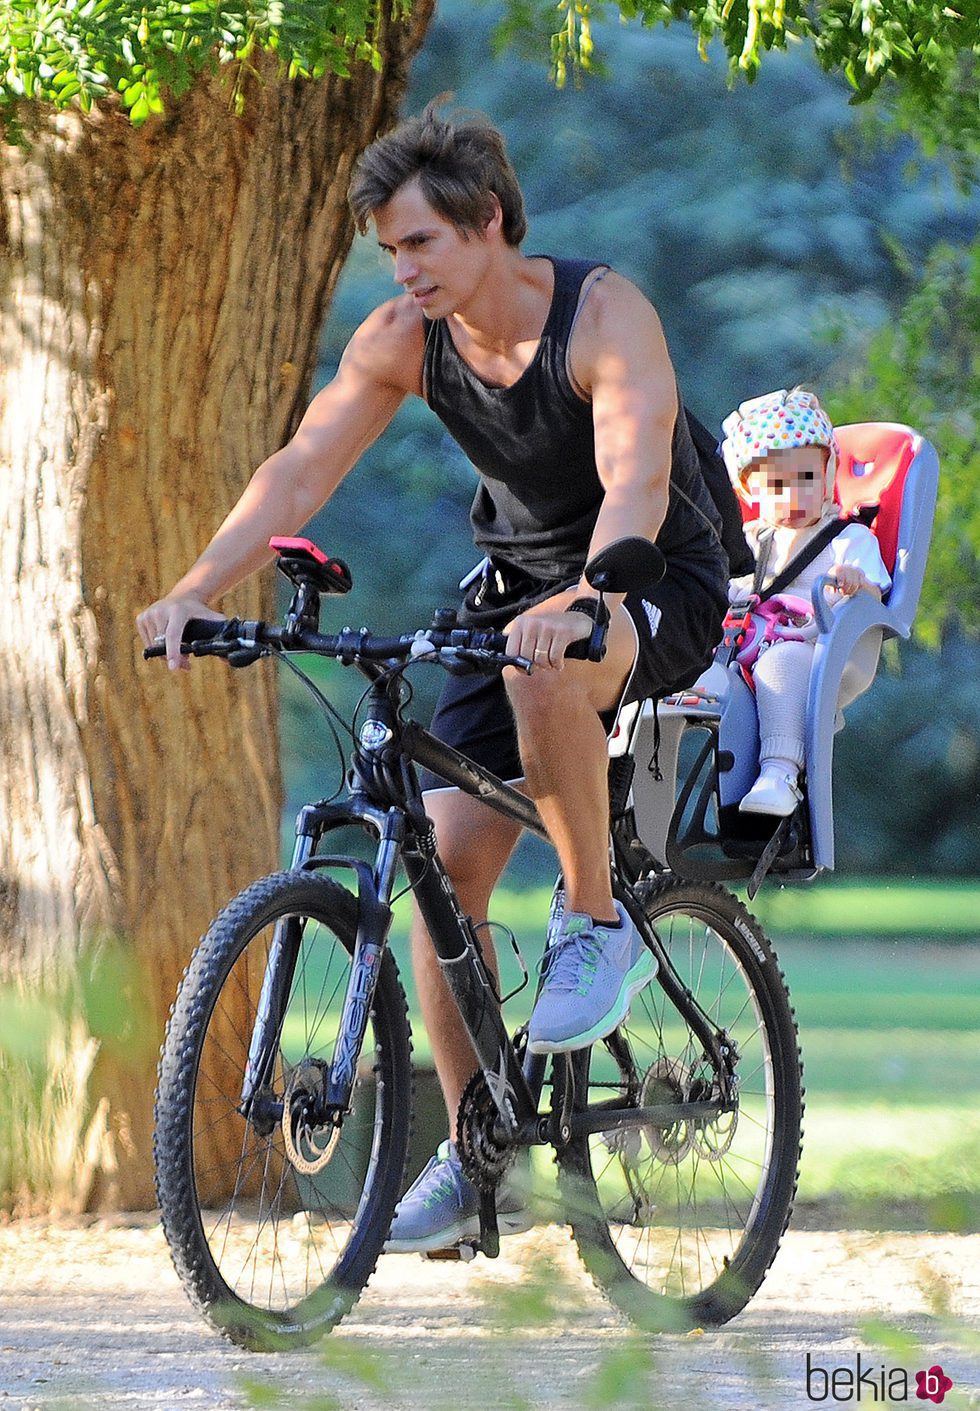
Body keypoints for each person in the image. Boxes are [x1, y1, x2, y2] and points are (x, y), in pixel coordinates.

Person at [137, 102, 729, 1251]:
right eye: (389, 250)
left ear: (491, 222)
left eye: (419, 244)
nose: (401, 269)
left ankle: (594, 919)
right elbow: (300, 466)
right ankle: (479, 1151)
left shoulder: (602, 314)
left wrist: (589, 596)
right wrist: (201, 585)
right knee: (442, 876)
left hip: (651, 575)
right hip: (512, 594)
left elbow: (634, 479)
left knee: (544, 679)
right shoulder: (404, 338)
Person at [722, 388, 892, 816]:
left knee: (781, 665)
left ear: (827, 475)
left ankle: (780, 773)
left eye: (807, 479)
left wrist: (856, 583)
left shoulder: (846, 539)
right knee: (692, 670)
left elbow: (875, 600)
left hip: (818, 649)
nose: (795, 495)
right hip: (746, 644)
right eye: (778, 485)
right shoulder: (753, 542)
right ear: (751, 488)